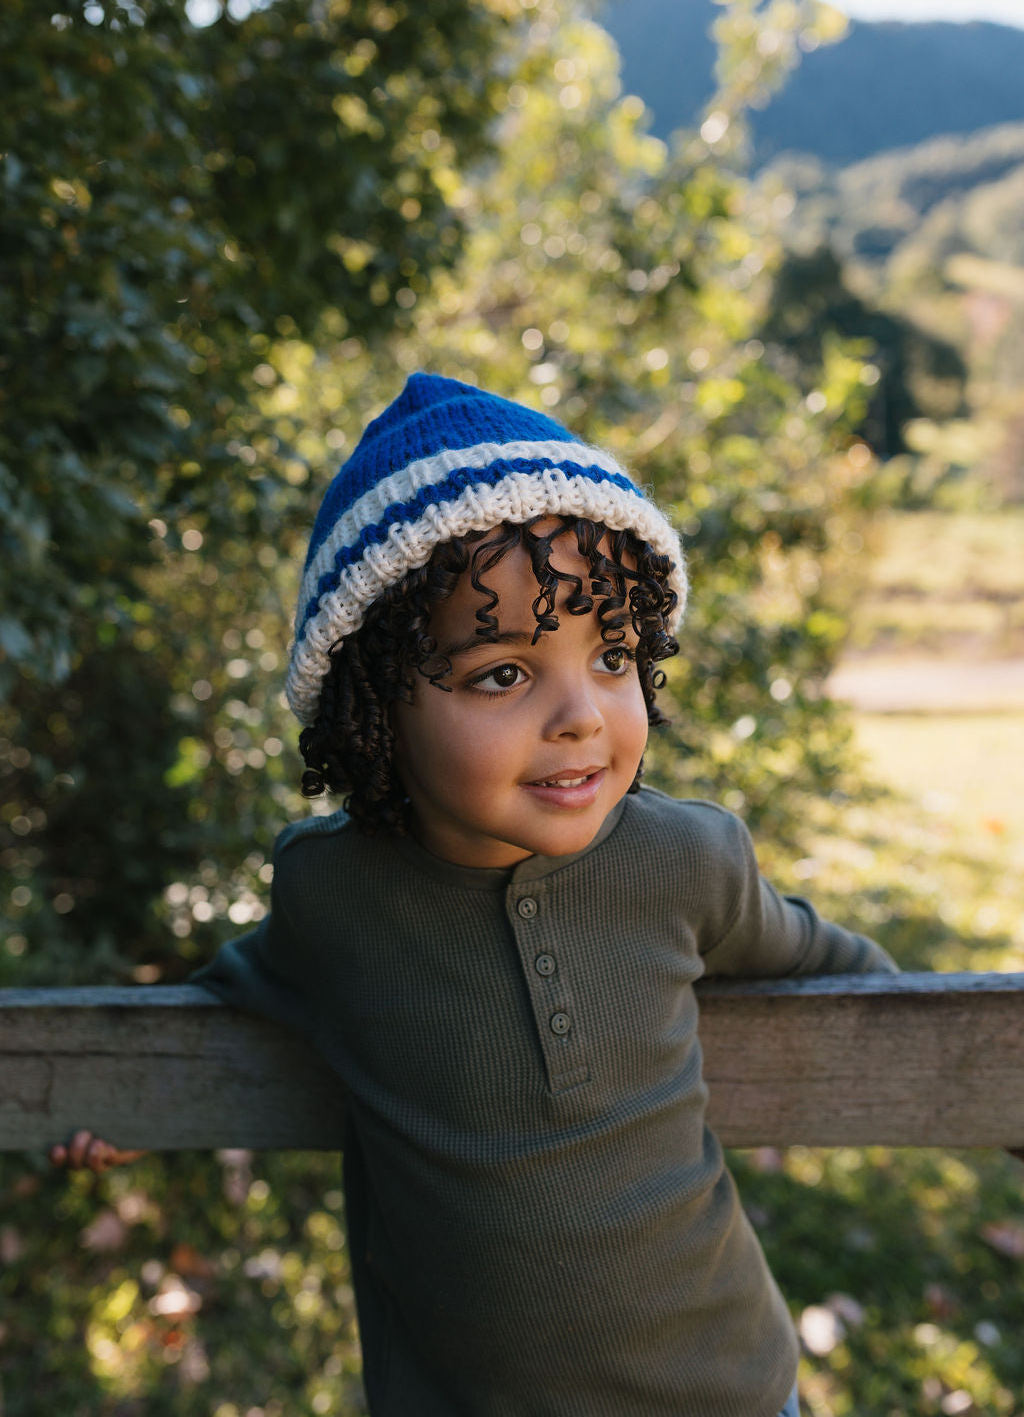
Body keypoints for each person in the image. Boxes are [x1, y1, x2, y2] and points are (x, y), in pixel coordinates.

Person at [55, 372, 898, 1417]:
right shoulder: (335, 894)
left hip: (724, 1389)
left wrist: (976, 1080)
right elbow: (230, 997)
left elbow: (842, 973)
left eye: (612, 655)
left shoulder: (686, 860)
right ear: (373, 706)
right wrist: (132, 1100)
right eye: (503, 673)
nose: (581, 716)